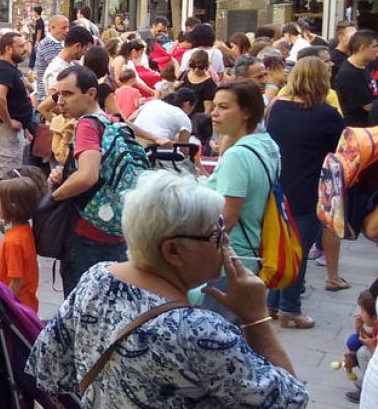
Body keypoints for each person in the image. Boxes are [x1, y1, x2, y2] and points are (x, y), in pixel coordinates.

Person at [27, 171, 309, 407]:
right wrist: (256, 316)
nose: (225, 241)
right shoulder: (201, 332)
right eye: (216, 233)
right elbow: (291, 400)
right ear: (173, 250)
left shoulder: (97, 279)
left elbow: (48, 367)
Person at [265, 57, 346, 327]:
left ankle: (273, 304)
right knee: (299, 251)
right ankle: (290, 308)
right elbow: (339, 152)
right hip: (310, 189)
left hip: (278, 186)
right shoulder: (328, 115)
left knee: (280, 248)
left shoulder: (277, 109)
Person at [47, 66, 129, 295]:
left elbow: (88, 175)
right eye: (58, 95)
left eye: (68, 94)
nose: (60, 101)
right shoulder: (111, 121)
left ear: (91, 93)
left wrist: (54, 198)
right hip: (116, 229)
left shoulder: (86, 124)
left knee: (81, 306)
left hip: (88, 232)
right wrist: (65, 174)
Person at [207, 81, 280, 286]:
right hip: (253, 250)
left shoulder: (237, 156)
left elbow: (227, 220)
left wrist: (206, 258)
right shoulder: (268, 143)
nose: (214, 113)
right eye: (214, 106)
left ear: (246, 112)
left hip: (230, 260)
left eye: (223, 107)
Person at [0, 169, 46, 312]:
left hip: (16, 307)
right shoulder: (24, 229)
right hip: (27, 303)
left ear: (12, 207)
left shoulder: (13, 241)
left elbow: (16, 281)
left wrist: (3, 306)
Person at [0, 31, 34, 181]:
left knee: (12, 172)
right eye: (20, 46)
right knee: (4, 174)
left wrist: (25, 127)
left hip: (13, 131)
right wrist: (9, 122)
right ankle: (0, 204)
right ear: (8, 49)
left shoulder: (12, 69)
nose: (24, 49)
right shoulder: (4, 70)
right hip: (4, 131)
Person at [337, 29, 378, 127]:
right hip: (360, 130)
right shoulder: (349, 74)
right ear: (362, 48)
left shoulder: (364, 66)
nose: (377, 50)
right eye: (374, 46)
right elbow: (368, 106)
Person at [130, 88, 196, 145]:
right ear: (187, 104)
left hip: (132, 141)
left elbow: (130, 119)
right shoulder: (184, 118)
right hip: (155, 147)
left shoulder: (153, 102)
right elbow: (184, 148)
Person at [34, 15, 69, 104]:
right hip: (46, 96)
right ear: (52, 28)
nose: (67, 31)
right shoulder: (47, 44)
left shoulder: (63, 43)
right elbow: (60, 68)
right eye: (63, 28)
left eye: (68, 27)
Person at [176, 49, 217, 114]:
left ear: (206, 66)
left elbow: (208, 109)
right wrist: (174, 86)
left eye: (200, 67)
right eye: (193, 66)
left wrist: (202, 122)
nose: (196, 70)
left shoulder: (209, 83)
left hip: (195, 118)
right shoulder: (184, 74)